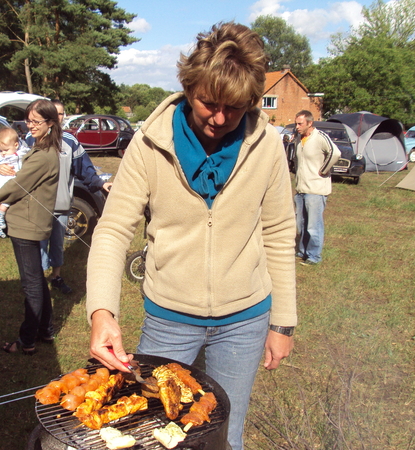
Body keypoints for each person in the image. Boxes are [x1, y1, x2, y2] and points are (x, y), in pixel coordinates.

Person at [85, 22, 297, 450]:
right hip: (169, 319)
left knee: (225, 434)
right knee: (152, 430)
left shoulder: (267, 145)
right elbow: (112, 229)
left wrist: (283, 323)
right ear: (188, 87)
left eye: (234, 108)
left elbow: (277, 231)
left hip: (245, 320)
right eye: (208, 104)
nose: (219, 119)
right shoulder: (149, 143)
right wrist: (102, 312)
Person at [1, 100, 112, 294]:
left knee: (57, 245)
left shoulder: (69, 142)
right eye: (56, 114)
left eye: (61, 114)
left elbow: (84, 169)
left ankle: (56, 277)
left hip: (60, 205)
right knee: (38, 248)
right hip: (34, 207)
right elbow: (8, 156)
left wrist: (101, 184)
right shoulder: (29, 139)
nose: (59, 118)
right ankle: (39, 284)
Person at [0, 99, 61, 355]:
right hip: (30, 222)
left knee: (31, 284)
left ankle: (27, 340)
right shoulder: (41, 148)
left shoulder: (44, 155)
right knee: (37, 281)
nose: (29, 126)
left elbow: (19, 183)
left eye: (35, 122)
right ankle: (45, 330)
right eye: (27, 121)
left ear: (51, 123)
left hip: (25, 225)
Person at [293, 110, 341, 265]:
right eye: (296, 123)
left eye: (300, 123)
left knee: (313, 226)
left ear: (309, 123)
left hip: (315, 189)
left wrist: (324, 169)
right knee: (301, 224)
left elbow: (335, 153)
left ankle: (314, 256)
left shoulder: (320, 137)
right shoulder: (299, 140)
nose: (297, 126)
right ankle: (303, 251)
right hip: (301, 189)